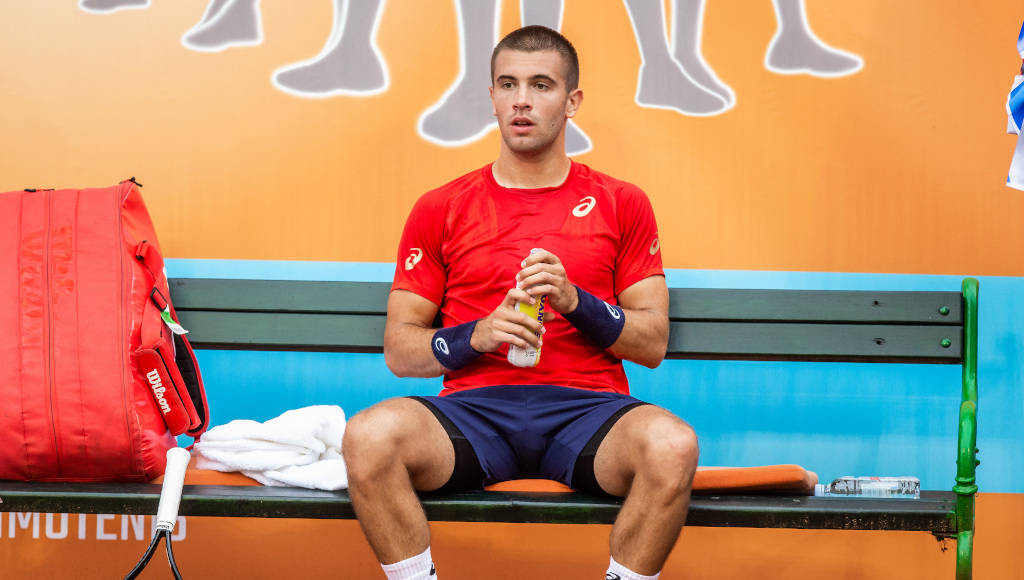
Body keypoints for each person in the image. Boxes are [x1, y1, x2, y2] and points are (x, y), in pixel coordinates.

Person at [342, 25, 699, 580]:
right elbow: (400, 349)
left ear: (572, 101)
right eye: (507, 84)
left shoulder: (622, 202)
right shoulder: (441, 206)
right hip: (473, 413)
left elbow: (652, 343)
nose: (522, 101)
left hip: (588, 414)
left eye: (541, 85)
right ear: (491, 97)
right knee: (368, 435)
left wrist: (576, 301)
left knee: (673, 445)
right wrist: (476, 335)